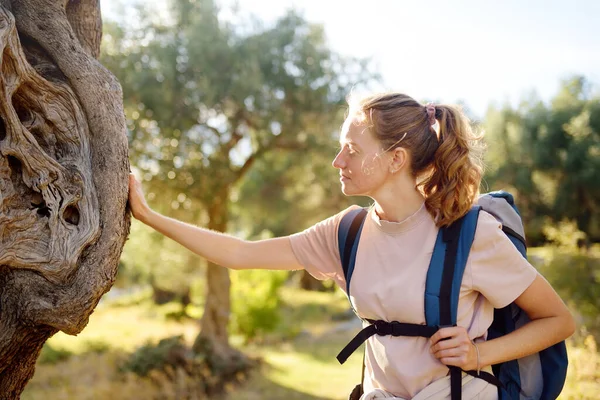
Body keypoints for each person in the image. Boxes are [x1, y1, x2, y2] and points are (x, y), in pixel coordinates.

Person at [128, 92, 575, 400]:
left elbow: (557, 320)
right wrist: (150, 216)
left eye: (351, 150)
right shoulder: (348, 232)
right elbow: (241, 254)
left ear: (395, 159)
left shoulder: (469, 234)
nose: (337, 161)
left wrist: (481, 353)